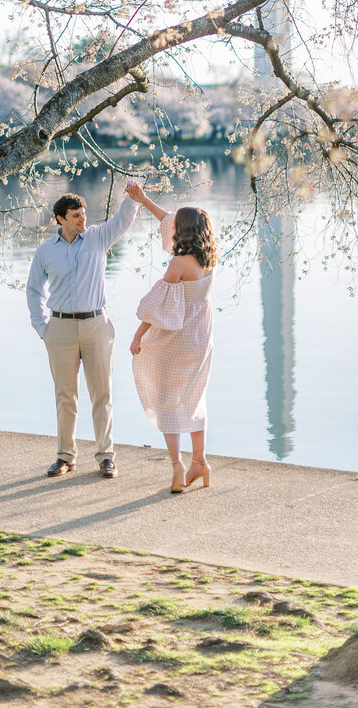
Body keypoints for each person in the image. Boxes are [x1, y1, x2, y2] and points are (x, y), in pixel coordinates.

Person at [26, 181, 141, 479]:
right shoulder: (45, 252)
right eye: (76, 215)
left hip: (96, 326)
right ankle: (65, 456)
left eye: (83, 214)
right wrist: (43, 328)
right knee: (65, 396)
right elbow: (34, 291)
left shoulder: (98, 238)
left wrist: (132, 198)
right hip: (60, 328)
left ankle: (106, 457)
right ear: (61, 219)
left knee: (102, 394)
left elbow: (123, 221)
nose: (82, 219)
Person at [127, 186, 218, 494]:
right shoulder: (209, 258)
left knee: (167, 401)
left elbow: (157, 306)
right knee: (194, 397)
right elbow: (168, 219)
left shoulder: (179, 264)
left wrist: (138, 336)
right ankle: (200, 462)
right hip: (202, 337)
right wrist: (143, 200)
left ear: (184, 231)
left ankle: (178, 468)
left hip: (178, 339)